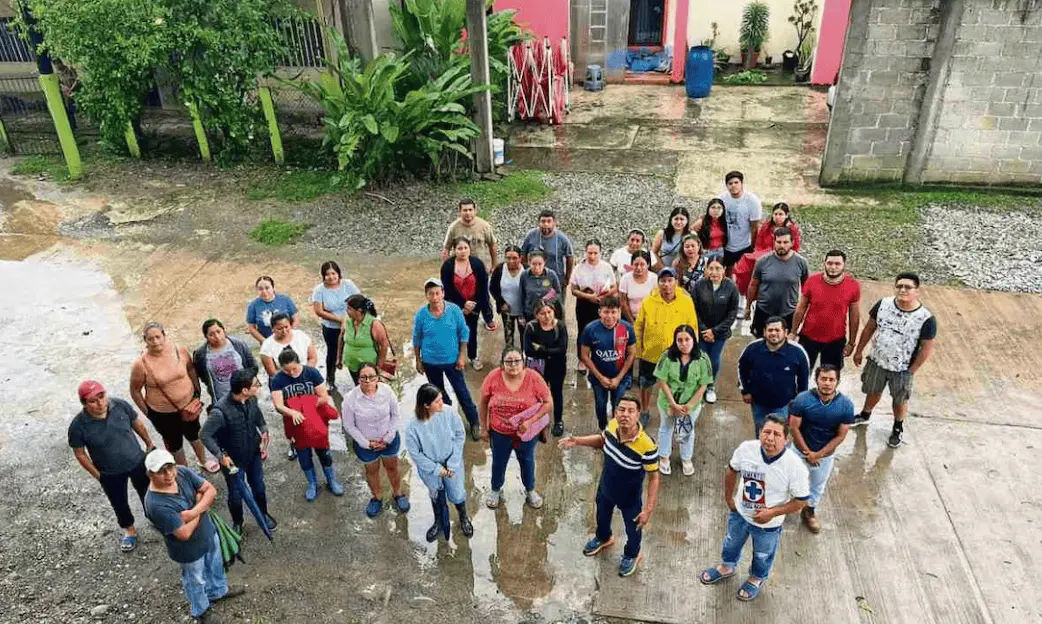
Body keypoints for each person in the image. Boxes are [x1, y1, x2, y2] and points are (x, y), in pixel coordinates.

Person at [698, 414, 809, 602]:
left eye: (776, 434)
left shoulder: (795, 466)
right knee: (731, 542)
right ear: (759, 433)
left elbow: (801, 501)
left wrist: (771, 513)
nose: (770, 438)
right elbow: (732, 471)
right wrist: (729, 499)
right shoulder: (746, 449)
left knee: (763, 554)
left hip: (768, 524)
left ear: (786, 439)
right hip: (740, 514)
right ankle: (727, 566)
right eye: (766, 432)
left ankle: (756, 577)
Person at [558, 396, 660, 578]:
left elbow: (654, 477)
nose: (625, 415)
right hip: (606, 487)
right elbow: (602, 441)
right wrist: (578, 441)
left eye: (630, 411)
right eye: (621, 410)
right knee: (601, 515)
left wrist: (648, 509)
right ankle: (604, 538)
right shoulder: (612, 426)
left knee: (633, 529)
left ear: (638, 415)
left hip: (629, 497)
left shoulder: (647, 446)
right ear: (615, 412)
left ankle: (632, 554)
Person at [143, 449, 245, 623]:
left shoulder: (181, 471)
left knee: (215, 564)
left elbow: (210, 490)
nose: (169, 475)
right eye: (161, 471)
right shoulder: (156, 504)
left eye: (170, 468)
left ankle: (218, 591)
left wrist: (192, 512)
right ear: (150, 474)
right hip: (188, 550)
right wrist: (200, 504)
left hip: (208, 533)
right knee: (195, 580)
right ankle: (201, 610)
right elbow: (184, 533)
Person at [852, 272, 938, 448]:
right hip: (877, 360)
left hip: (902, 368)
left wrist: (911, 371)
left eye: (908, 287)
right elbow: (869, 328)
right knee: (873, 390)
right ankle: (865, 414)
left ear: (917, 291)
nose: (903, 290)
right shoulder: (883, 304)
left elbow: (926, 348)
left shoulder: (926, 319)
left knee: (899, 400)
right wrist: (859, 350)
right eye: (899, 286)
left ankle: (897, 427)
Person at [68, 380, 155, 553]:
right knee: (118, 501)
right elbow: (80, 453)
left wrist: (149, 444)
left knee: (147, 491)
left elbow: (137, 423)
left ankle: (153, 516)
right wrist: (98, 475)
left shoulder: (120, 405)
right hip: (109, 471)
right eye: (93, 400)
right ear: (84, 404)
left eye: (102, 396)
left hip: (136, 460)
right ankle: (129, 529)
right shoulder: (78, 426)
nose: (100, 403)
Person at [129, 322, 217, 473]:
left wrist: (196, 392)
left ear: (164, 335)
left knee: (195, 434)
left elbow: (190, 369)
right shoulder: (141, 364)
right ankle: (185, 472)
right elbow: (135, 391)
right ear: (145, 340)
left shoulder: (179, 351)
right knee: (175, 444)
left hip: (189, 404)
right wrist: (149, 413)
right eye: (151, 339)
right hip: (163, 413)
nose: (155, 341)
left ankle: (203, 461)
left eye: (158, 337)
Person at [200, 368, 277, 536]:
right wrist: (220, 456)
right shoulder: (219, 412)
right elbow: (204, 435)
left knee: (259, 487)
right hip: (233, 461)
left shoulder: (252, 400)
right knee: (235, 493)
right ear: (244, 390)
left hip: (253, 453)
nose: (259, 386)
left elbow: (259, 419)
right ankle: (237, 522)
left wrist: (264, 431)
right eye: (256, 384)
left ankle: (263, 513)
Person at [479, 346, 553, 510]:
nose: (513, 365)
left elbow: (548, 402)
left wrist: (531, 421)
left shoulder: (534, 378)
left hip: (526, 434)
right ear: (502, 364)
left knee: (527, 461)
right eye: (509, 361)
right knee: (498, 462)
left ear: (524, 362)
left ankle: (530, 490)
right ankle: (495, 490)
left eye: (517, 361)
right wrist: (484, 427)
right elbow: (483, 402)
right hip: (499, 433)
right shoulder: (493, 377)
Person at [269, 350, 344, 500]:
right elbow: (278, 405)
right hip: (295, 423)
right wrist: (293, 412)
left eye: (294, 369)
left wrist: (305, 405)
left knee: (324, 452)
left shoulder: (312, 373)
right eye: (286, 370)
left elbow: (323, 397)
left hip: (315, 420)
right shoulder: (277, 379)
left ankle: (331, 480)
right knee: (304, 455)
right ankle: (312, 483)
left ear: (299, 362)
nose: (291, 373)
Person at [412, 277, 482, 440]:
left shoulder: (454, 310)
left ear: (443, 293)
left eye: (437, 293)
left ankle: (474, 422)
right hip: (430, 362)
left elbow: (464, 333)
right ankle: (449, 419)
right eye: (431, 294)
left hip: (452, 361)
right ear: (426, 296)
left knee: (462, 392)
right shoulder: (422, 314)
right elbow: (417, 338)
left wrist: (461, 356)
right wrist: (418, 359)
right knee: (439, 394)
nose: (434, 297)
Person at [787, 365, 854, 533]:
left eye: (831, 379)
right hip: (798, 451)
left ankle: (808, 512)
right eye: (823, 379)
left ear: (837, 382)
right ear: (816, 380)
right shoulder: (802, 399)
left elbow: (840, 435)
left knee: (817, 486)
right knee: (788, 480)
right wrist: (807, 453)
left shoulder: (846, 405)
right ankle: (782, 508)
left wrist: (818, 454)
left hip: (824, 456)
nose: (827, 383)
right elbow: (793, 427)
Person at [406, 384, 473, 542]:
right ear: (426, 405)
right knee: (435, 494)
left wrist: (452, 463)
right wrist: (436, 469)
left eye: (441, 399)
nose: (442, 403)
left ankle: (463, 517)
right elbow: (416, 453)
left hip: (452, 464)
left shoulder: (449, 412)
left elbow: (459, 435)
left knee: (457, 493)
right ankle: (439, 521)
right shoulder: (413, 427)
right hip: (430, 469)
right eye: (437, 401)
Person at [341, 363, 409, 518]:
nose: (368, 380)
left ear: (377, 377)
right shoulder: (350, 398)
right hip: (365, 444)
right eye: (363, 377)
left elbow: (395, 415)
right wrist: (367, 443)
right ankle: (377, 497)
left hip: (389, 440)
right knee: (371, 470)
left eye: (371, 376)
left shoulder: (387, 391)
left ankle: (398, 493)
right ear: (358, 379)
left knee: (392, 467)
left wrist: (388, 438)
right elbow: (349, 425)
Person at [633, 267, 698, 421]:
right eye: (663, 281)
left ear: (676, 282)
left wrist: (692, 351)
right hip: (651, 353)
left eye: (670, 280)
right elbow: (639, 326)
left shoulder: (686, 302)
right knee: (646, 383)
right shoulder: (648, 301)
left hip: (675, 355)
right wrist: (638, 350)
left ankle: (673, 407)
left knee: (676, 384)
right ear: (658, 283)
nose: (666, 284)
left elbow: (693, 327)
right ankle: (644, 410)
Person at [654, 325, 713, 476]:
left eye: (687, 339)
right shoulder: (666, 356)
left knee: (687, 430)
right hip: (668, 402)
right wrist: (673, 404)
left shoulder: (703, 358)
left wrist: (689, 405)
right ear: (675, 341)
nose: (684, 343)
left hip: (691, 405)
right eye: (679, 340)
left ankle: (686, 459)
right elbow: (662, 381)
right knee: (666, 428)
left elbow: (703, 384)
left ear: (694, 339)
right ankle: (664, 457)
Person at [737, 317, 810, 436]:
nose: (773, 333)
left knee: (778, 433)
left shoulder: (798, 352)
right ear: (764, 332)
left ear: (785, 332)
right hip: (758, 402)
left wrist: (798, 405)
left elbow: (804, 381)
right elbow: (741, 368)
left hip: (783, 404)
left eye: (777, 330)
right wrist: (745, 391)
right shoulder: (752, 348)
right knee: (761, 431)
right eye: (770, 330)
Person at [789, 250, 861, 370]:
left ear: (844, 265)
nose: (833, 267)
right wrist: (793, 332)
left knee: (830, 377)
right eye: (830, 263)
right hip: (808, 337)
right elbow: (801, 308)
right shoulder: (812, 281)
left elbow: (854, 316)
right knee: (800, 372)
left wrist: (851, 343)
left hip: (835, 340)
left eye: (837, 264)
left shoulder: (853, 286)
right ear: (824, 263)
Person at [579, 296, 637, 430]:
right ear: (600, 312)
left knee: (619, 406)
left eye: (613, 312)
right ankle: (603, 430)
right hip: (598, 378)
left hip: (621, 378)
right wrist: (601, 378)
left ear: (619, 312)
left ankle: (615, 430)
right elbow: (584, 355)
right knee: (600, 405)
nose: (609, 316)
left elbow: (631, 354)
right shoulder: (590, 329)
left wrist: (618, 378)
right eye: (606, 312)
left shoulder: (626, 328)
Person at [441, 236, 497, 370]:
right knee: (455, 331)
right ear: (455, 250)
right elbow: (447, 290)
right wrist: (462, 304)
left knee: (471, 331)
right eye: (459, 248)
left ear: (469, 249)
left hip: (474, 306)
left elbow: (483, 289)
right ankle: (455, 357)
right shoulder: (448, 266)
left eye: (465, 248)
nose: (463, 251)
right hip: (454, 306)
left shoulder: (477, 264)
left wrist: (475, 304)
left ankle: (473, 356)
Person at [690, 256, 739, 404]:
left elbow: (733, 313)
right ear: (706, 269)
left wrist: (715, 331)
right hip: (701, 332)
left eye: (718, 268)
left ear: (724, 269)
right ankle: (699, 386)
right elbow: (694, 310)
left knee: (714, 360)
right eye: (710, 268)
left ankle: (710, 386)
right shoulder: (699, 285)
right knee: (700, 358)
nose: (714, 272)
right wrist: (704, 330)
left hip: (720, 334)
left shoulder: (731, 287)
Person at [745, 228, 809, 338]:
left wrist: (803, 312)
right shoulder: (762, 261)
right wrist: (747, 307)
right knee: (761, 343)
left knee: (784, 345)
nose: (782, 245)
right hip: (764, 311)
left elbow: (806, 289)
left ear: (792, 243)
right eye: (779, 242)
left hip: (789, 313)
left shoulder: (801, 263)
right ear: (774, 242)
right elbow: (753, 284)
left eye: (785, 242)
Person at [310, 261, 361, 390]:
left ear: (338, 273)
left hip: (352, 325)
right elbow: (319, 311)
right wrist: (340, 320)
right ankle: (330, 379)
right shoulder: (319, 290)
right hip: (331, 327)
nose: (331, 277)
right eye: (327, 274)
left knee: (352, 352)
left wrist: (349, 320)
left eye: (334, 273)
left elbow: (360, 301)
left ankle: (358, 381)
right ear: (323, 276)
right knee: (332, 353)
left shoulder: (348, 284)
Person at [569, 238, 616, 372]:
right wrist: (589, 296)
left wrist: (602, 296)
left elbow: (614, 287)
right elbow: (573, 289)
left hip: (601, 302)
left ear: (600, 253)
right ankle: (582, 360)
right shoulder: (579, 267)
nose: (592, 256)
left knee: (602, 330)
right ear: (586, 252)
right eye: (590, 253)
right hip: (584, 302)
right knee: (584, 331)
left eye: (595, 253)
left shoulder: (606, 267)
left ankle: (599, 359)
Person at [523, 300, 569, 436]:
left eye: (549, 312)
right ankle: (537, 420)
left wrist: (542, 349)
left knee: (556, 392)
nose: (547, 316)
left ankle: (558, 421)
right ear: (536, 315)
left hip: (557, 365)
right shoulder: (531, 327)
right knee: (538, 394)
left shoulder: (560, 326)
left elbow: (562, 349)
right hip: (538, 366)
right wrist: (549, 351)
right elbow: (528, 350)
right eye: (542, 314)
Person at [192, 319, 257, 407]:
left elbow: (252, 366)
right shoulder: (201, 354)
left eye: (218, 332)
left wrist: (248, 385)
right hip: (221, 399)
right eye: (211, 334)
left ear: (224, 330)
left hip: (244, 395)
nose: (217, 337)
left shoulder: (238, 344)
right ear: (206, 337)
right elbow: (202, 375)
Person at [336, 294, 391, 385]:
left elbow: (383, 346)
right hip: (351, 364)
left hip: (369, 368)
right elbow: (341, 338)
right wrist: (339, 357)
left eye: (349, 308)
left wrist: (379, 368)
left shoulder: (374, 324)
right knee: (358, 386)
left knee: (369, 389)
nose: (346, 311)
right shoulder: (347, 320)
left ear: (359, 310)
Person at [717, 171, 762, 272]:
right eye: (730, 183)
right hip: (724, 245)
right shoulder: (720, 199)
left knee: (742, 273)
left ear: (742, 184)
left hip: (744, 245)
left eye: (736, 182)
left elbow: (754, 226)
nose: (733, 186)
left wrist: (753, 247)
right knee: (725, 272)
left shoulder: (752, 201)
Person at [520, 209, 574, 292]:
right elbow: (523, 253)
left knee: (556, 303)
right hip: (534, 280)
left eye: (549, 221)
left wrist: (567, 278)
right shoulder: (531, 235)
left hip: (556, 281)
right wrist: (526, 271)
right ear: (538, 223)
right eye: (543, 221)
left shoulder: (562, 239)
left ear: (555, 223)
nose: (546, 224)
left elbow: (570, 257)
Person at [441, 197, 498, 269]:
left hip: (481, 269)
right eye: (465, 210)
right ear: (460, 211)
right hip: (459, 271)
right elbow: (446, 249)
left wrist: (494, 266)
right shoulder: (453, 227)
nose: (468, 213)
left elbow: (493, 246)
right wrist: (445, 269)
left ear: (475, 210)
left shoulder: (484, 226)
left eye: (470, 210)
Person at [489, 244, 526, 347]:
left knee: (525, 335)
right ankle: (509, 357)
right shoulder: (500, 269)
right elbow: (493, 288)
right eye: (508, 258)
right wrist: (501, 303)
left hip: (522, 311)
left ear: (520, 258)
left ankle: (524, 357)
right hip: (507, 310)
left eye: (514, 258)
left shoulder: (526, 270)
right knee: (508, 336)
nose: (511, 261)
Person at [259, 313, 317, 378]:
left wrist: (305, 374)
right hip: (282, 380)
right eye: (280, 329)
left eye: (286, 327)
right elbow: (272, 372)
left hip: (306, 375)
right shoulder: (267, 346)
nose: (284, 331)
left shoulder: (301, 336)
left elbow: (312, 358)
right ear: (272, 329)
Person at [245, 276, 299, 344]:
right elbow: (251, 328)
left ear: (273, 288)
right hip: (267, 341)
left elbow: (295, 318)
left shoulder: (285, 300)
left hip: (288, 339)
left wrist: (290, 334)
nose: (264, 291)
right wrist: (264, 341)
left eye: (267, 288)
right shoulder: (253, 305)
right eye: (260, 289)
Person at [518, 250, 563, 322]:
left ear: (544, 263)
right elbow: (521, 295)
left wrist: (547, 300)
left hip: (547, 313)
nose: (537, 267)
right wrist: (521, 315)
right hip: (530, 313)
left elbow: (558, 293)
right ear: (529, 262)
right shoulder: (524, 275)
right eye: (533, 264)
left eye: (540, 264)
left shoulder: (551, 274)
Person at [617, 249, 656, 325]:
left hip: (650, 318)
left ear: (647, 265)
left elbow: (657, 302)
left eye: (642, 264)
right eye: (636, 264)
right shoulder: (625, 279)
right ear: (632, 264)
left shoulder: (654, 278)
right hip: (629, 318)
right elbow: (623, 303)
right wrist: (633, 323)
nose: (639, 267)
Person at [691, 198, 728, 263]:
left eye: (719, 208)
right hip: (706, 252)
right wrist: (699, 248)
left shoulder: (724, 222)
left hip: (720, 251)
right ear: (708, 209)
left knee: (717, 271)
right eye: (713, 207)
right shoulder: (702, 221)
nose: (716, 210)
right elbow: (691, 232)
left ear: (723, 210)